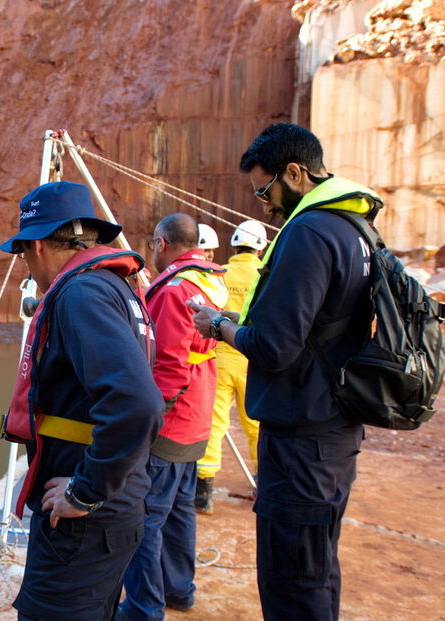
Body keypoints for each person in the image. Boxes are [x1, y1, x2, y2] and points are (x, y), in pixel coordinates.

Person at [189, 123, 380, 620]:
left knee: (291, 578)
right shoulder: (355, 225)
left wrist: (219, 325)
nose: (262, 203)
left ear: (294, 173)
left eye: (263, 189)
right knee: (315, 570)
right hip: (333, 428)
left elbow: (274, 347)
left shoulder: (309, 232)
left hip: (301, 443)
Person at [0, 181, 165, 621]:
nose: (27, 268)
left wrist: (84, 491)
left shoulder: (80, 295)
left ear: (36, 246)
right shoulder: (112, 286)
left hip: (84, 521)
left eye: (23, 255)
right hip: (113, 505)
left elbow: (138, 405)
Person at [118, 213, 227, 621]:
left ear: (162, 243)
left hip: (172, 422)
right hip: (200, 412)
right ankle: (179, 590)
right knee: (180, 509)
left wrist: (149, 417)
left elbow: (168, 363)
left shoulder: (173, 290)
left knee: (145, 517)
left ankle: (144, 607)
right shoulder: (210, 280)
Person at [194, 219, 269, 513]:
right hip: (253, 357)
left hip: (223, 355)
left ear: (235, 244)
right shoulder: (264, 276)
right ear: (261, 248)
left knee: (215, 421)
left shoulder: (222, 273)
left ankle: (204, 489)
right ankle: (264, 483)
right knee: (256, 424)